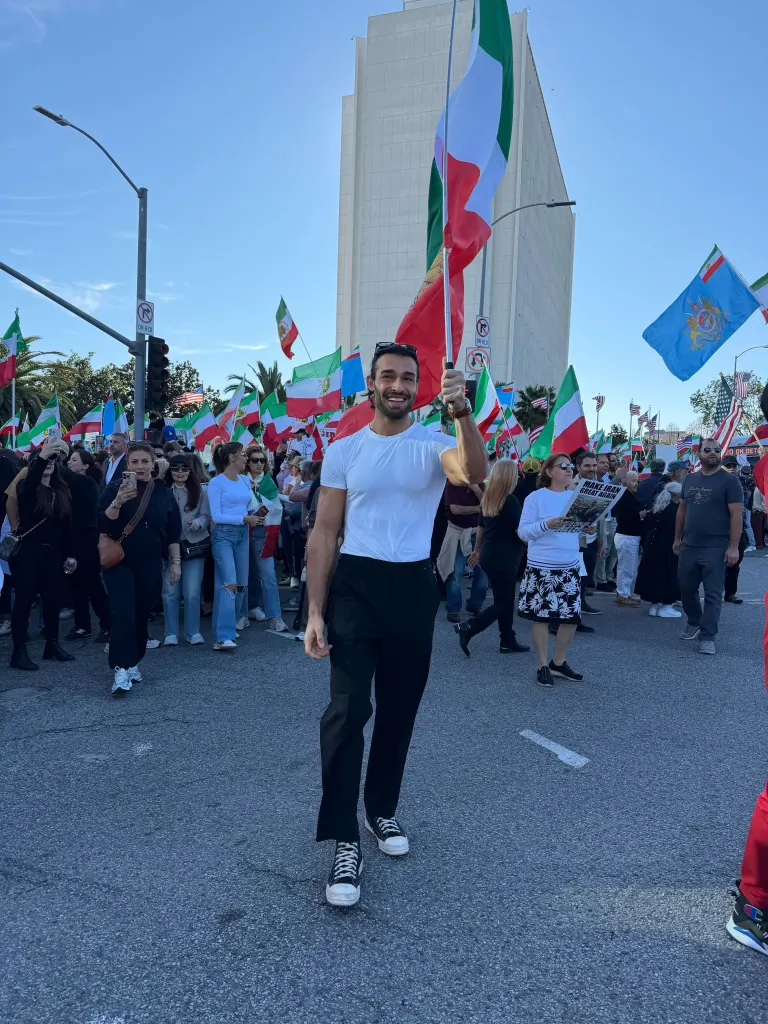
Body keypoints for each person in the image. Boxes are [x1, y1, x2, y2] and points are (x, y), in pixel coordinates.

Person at [305, 344, 487, 908]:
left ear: (420, 386)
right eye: (388, 376)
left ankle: (380, 810)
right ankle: (342, 840)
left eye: (409, 377)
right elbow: (324, 532)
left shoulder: (436, 445)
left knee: (400, 710)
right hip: (355, 587)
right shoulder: (345, 450)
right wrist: (314, 610)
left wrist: (462, 413)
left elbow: (475, 473)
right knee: (347, 709)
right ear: (372, 384)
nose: (398, 385)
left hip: (412, 585)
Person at [99, 441, 182, 694]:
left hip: (150, 561)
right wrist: (117, 502)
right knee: (122, 613)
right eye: (134, 462)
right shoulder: (115, 488)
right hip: (120, 561)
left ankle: (134, 660)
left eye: (145, 461)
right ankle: (121, 668)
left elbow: (173, 531)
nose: (140, 466)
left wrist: (176, 562)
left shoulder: (163, 492)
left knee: (140, 613)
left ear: (153, 463)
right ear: (128, 465)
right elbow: (102, 523)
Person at [517, 453, 586, 688]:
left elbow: (581, 535)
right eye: (563, 466)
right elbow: (523, 532)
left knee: (571, 618)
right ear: (549, 472)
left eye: (570, 466)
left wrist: (589, 529)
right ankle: (542, 664)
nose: (569, 469)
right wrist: (547, 524)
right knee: (542, 618)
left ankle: (559, 661)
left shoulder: (575, 497)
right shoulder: (536, 498)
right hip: (542, 567)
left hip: (569, 566)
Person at [9, 438, 77, 671]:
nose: (48, 463)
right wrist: (41, 455)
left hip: (53, 554)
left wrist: (70, 554)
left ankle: (52, 645)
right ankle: (18, 652)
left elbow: (67, 526)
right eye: (44, 460)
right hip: (28, 552)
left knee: (52, 602)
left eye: (52, 460)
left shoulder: (61, 489)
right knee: (25, 601)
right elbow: (30, 483)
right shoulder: (27, 487)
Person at [674, 438, 743, 655]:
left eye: (717, 450)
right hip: (689, 545)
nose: (713, 453)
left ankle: (708, 635)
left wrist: (733, 547)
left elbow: (736, 515)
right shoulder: (690, 479)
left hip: (716, 547)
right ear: (699, 454)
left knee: (713, 594)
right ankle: (694, 620)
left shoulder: (730, 481)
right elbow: (682, 511)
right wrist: (677, 538)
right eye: (708, 450)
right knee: (685, 587)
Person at [455, 460, 529, 656]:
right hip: (505, 557)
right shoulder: (510, 500)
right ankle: (470, 627)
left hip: (490, 554)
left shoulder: (488, 498)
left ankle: (507, 639)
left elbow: (481, 528)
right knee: (504, 603)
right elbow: (520, 532)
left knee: (502, 599)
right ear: (510, 477)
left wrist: (477, 551)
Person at [207, 441, 262, 651]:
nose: (246, 459)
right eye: (243, 455)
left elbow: (251, 506)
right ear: (232, 458)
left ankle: (227, 627)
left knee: (240, 584)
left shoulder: (245, 481)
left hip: (242, 534)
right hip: (223, 536)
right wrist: (244, 519)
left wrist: (258, 516)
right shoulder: (216, 483)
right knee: (229, 582)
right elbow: (217, 516)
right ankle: (223, 635)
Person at [63, 448, 111, 642]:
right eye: (69, 459)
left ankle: (108, 624)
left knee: (92, 584)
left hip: (87, 540)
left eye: (73, 460)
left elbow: (65, 474)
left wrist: (52, 453)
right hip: (74, 539)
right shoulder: (74, 484)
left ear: (85, 465)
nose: (69, 463)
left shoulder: (85, 482)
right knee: (76, 584)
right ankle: (82, 626)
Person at [161, 454, 210, 645]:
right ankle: (170, 632)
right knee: (170, 591)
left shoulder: (200, 490)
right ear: (170, 470)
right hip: (169, 546)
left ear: (190, 470)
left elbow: (206, 515)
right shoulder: (163, 490)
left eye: (184, 468)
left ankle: (192, 632)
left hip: (194, 545)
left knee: (192, 591)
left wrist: (199, 522)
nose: (180, 472)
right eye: (175, 468)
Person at [243, 446, 288, 632]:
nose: (259, 464)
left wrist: (256, 511)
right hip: (241, 532)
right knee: (243, 575)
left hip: (261, 532)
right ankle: (243, 614)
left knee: (268, 575)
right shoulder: (240, 480)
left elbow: (273, 506)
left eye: (262, 460)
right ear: (247, 462)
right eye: (255, 460)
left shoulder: (268, 481)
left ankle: (275, 617)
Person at [437, 479, 488, 623]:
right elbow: (455, 509)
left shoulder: (481, 486)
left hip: (477, 533)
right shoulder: (452, 486)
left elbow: (488, 506)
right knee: (454, 572)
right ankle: (453, 609)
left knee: (483, 573)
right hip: (458, 533)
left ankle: (475, 604)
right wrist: (478, 508)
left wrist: (477, 490)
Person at [635, 481, 682, 617]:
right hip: (669, 547)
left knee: (654, 575)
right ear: (678, 495)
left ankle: (654, 605)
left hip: (652, 546)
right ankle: (666, 605)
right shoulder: (675, 510)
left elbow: (646, 526)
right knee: (669, 575)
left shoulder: (657, 508)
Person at [613, 471, 644, 607]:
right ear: (625, 482)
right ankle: (622, 594)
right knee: (626, 568)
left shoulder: (629, 495)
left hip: (631, 536)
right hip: (626, 536)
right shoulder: (624, 496)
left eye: (637, 481)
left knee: (630, 568)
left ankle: (625, 593)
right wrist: (641, 514)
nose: (636, 483)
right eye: (633, 481)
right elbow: (626, 517)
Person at [722, 455, 749, 605]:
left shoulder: (742, 482)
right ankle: (714, 593)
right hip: (723, 530)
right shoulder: (719, 483)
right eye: (728, 466)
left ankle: (730, 593)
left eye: (734, 466)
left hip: (740, 529)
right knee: (719, 564)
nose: (732, 468)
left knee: (736, 563)